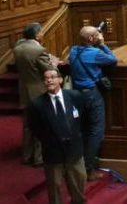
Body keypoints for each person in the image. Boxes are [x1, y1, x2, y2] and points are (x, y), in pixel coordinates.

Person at [28, 69, 87, 204]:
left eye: (52, 77)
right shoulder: (37, 104)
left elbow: (84, 119)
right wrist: (51, 141)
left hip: (74, 150)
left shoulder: (75, 96)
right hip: (53, 153)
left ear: (60, 80)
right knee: (55, 187)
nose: (49, 80)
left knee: (79, 183)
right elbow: (35, 128)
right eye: (46, 78)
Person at [68, 26, 117, 181]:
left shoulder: (73, 50)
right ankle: (89, 169)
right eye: (96, 35)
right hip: (91, 94)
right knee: (96, 131)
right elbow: (112, 59)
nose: (99, 35)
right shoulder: (95, 53)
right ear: (91, 39)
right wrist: (102, 43)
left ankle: (78, 166)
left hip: (77, 95)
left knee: (83, 129)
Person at [15, 22, 59, 166]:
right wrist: (54, 63)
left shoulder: (17, 48)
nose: (42, 34)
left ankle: (27, 155)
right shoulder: (39, 50)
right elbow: (50, 72)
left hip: (24, 90)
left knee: (28, 125)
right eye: (41, 32)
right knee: (42, 124)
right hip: (39, 91)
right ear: (36, 34)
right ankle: (39, 158)